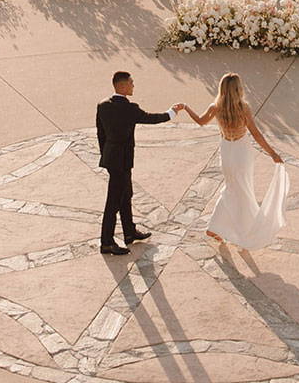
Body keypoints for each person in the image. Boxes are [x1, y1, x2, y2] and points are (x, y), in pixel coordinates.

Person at [180, 72, 289, 251]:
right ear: (238, 89)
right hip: (241, 152)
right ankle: (241, 230)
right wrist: (272, 153)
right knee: (242, 190)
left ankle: (217, 226)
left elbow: (200, 121)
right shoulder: (243, 107)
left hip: (227, 151)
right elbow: (256, 134)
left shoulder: (215, 107)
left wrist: (186, 107)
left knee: (232, 188)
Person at [96, 70, 185, 255]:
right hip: (123, 160)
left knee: (125, 194)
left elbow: (101, 134)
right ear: (121, 86)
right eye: (130, 83)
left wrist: (106, 156)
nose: (133, 85)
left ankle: (129, 232)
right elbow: (152, 118)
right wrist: (172, 112)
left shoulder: (103, 106)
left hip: (112, 159)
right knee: (113, 202)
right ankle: (106, 242)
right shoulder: (129, 109)